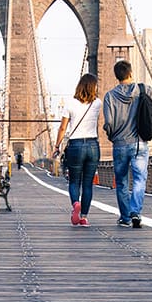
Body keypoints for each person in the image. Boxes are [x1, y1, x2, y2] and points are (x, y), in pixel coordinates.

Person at [102, 60, 152, 229]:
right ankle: (135, 212)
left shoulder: (109, 96)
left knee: (121, 181)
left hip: (119, 144)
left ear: (116, 76)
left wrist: (113, 137)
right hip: (140, 144)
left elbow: (108, 123)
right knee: (140, 179)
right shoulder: (143, 89)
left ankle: (125, 217)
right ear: (131, 74)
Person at [53, 73, 102, 227]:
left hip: (75, 146)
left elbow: (62, 128)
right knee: (88, 184)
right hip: (93, 146)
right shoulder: (97, 103)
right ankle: (84, 217)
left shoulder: (70, 104)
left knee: (74, 181)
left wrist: (57, 146)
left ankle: (75, 204)